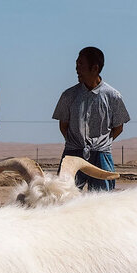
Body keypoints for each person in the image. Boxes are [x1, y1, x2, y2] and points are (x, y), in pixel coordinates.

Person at [52, 45, 130, 191]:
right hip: (72, 154)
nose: (77, 69)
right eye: (76, 64)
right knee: (64, 197)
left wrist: (101, 144)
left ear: (95, 68)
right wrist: (75, 143)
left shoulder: (113, 96)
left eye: (81, 64)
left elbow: (118, 128)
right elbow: (63, 125)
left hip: (101, 155)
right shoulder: (68, 95)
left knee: (102, 201)